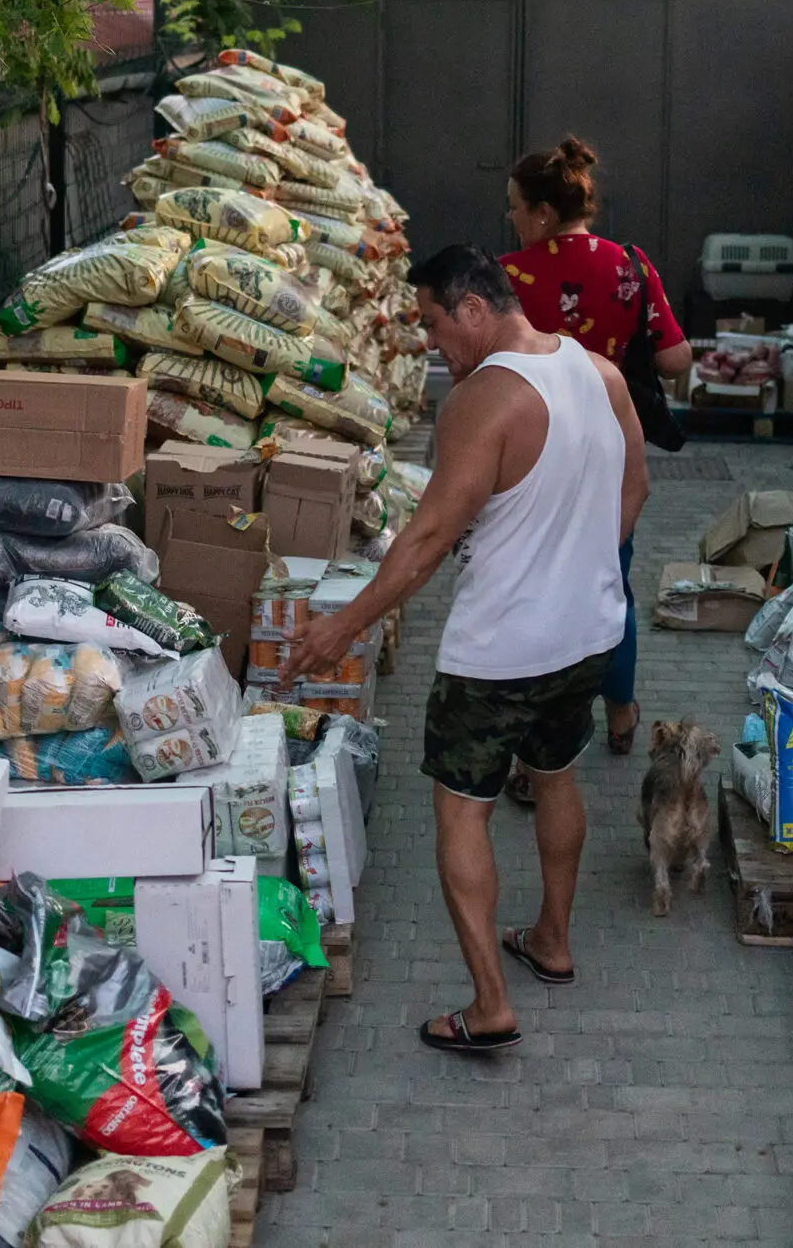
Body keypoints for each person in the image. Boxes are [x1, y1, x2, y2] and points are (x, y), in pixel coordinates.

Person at [276, 244, 647, 1055]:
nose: (432, 346)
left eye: (434, 325)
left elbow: (432, 535)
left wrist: (345, 625)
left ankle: (488, 1007)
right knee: (556, 775)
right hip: (589, 635)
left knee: (461, 809)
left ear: (474, 308)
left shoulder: (484, 401)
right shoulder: (600, 374)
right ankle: (552, 939)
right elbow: (637, 487)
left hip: (500, 653)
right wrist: (585, 565)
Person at [497, 136, 691, 767]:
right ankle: (621, 711)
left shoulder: (507, 278)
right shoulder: (632, 264)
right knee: (612, 579)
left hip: (531, 447)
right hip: (612, 445)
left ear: (543, 214)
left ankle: (546, 725)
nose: (512, 220)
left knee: (534, 581)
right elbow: (674, 357)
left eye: (516, 208)